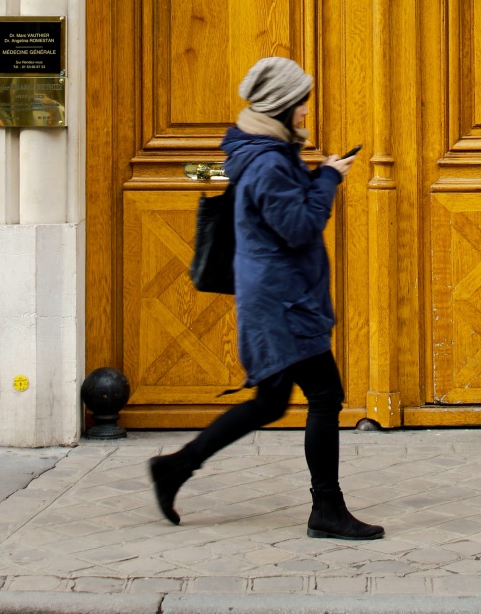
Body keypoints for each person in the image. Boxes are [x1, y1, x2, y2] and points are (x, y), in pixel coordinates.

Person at [148, 56, 384, 541]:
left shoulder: (264, 151)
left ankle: (175, 467)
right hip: (284, 303)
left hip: (276, 296)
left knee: (270, 402)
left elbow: (282, 215)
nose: (305, 112)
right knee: (326, 396)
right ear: (280, 104)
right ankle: (327, 510)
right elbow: (298, 227)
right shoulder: (269, 161)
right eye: (301, 103)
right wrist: (329, 179)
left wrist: (320, 171)